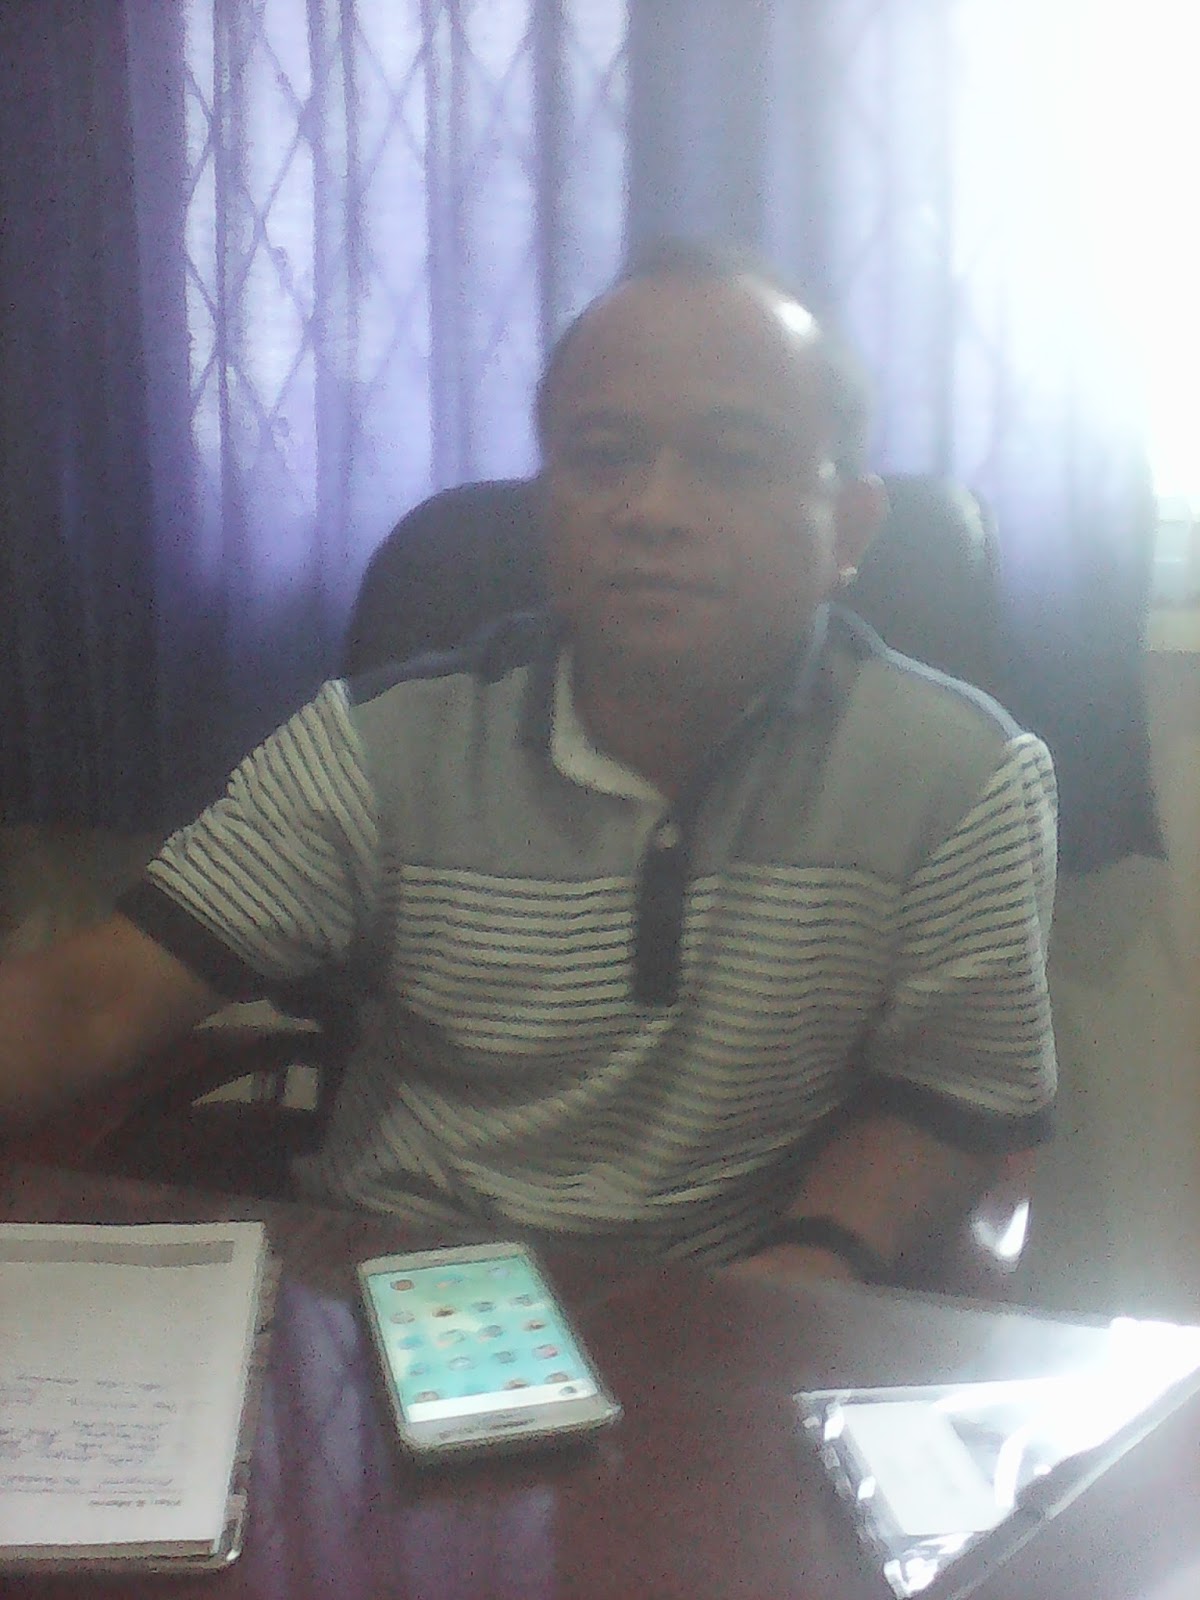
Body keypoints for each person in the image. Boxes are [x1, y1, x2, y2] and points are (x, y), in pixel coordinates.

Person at [0, 240, 1057, 1285]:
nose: (652, 510)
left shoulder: (964, 778)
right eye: (602, 456)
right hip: (394, 1281)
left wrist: (815, 1260)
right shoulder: (378, 743)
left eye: (731, 460)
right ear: (546, 506)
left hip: (728, 1302)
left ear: (850, 528)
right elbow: (91, 1000)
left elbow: (951, 1102)